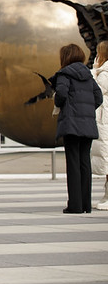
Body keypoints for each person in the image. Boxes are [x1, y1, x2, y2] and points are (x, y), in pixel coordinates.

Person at [54, 43, 102, 214]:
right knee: (84, 163)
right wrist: (86, 110)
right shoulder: (88, 76)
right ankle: (85, 205)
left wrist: (61, 105)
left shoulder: (64, 74)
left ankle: (75, 205)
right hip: (87, 125)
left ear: (65, 57)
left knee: (73, 164)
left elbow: (61, 94)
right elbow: (98, 97)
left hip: (71, 125)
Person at [92, 40, 108, 211]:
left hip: (105, 121)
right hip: (105, 120)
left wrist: (95, 70)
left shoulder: (105, 72)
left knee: (106, 157)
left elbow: (96, 90)